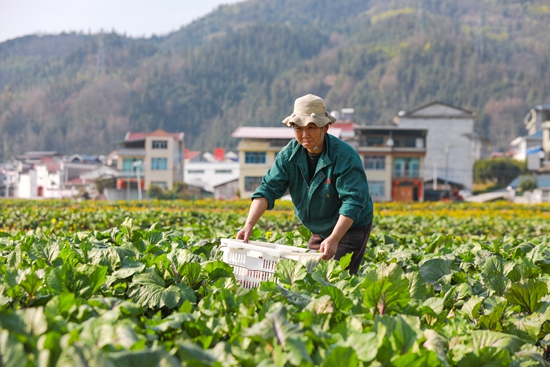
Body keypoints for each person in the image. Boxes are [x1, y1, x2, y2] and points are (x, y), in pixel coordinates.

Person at [236, 94, 374, 274]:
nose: (304, 134)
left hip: (349, 227)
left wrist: (334, 238)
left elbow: (353, 202)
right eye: (298, 128)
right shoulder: (289, 155)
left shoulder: (345, 157)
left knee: (337, 279)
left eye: (311, 127)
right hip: (319, 227)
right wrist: (249, 225)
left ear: (325, 127)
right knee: (309, 276)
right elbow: (267, 190)